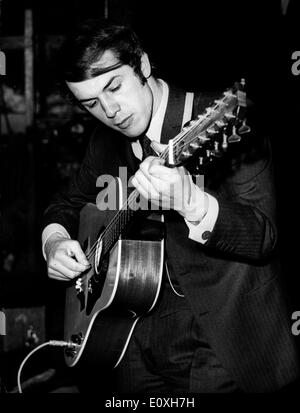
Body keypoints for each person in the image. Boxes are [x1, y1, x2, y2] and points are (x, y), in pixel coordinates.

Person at [42, 18, 299, 393]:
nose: (110, 111)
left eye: (114, 87)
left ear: (143, 66)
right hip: (130, 335)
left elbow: (264, 237)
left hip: (221, 338)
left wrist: (191, 200)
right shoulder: (104, 142)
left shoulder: (224, 120)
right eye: (91, 103)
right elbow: (68, 202)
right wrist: (54, 240)